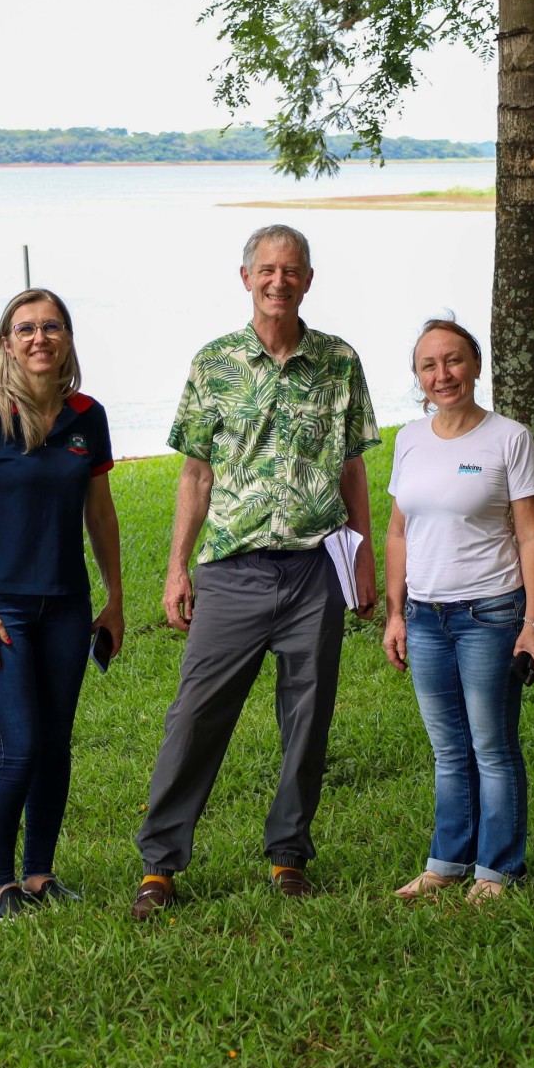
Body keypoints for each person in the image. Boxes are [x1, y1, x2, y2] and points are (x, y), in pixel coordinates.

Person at [132, 224, 379, 919]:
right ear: (245, 278)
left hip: (314, 568)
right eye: (267, 269)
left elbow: (353, 466)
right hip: (231, 571)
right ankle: (160, 865)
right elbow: (195, 474)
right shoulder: (214, 364)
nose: (279, 280)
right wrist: (177, 569)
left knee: (307, 717)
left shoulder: (338, 361)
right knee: (196, 716)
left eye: (291, 270)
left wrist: (363, 562)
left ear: (307, 279)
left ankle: (288, 855)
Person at [0, 289, 123, 922]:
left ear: (68, 338)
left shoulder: (88, 415)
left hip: (68, 609)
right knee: (18, 748)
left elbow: (99, 514)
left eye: (52, 327)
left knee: (55, 746)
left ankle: (41, 876)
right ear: (7, 343)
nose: (40, 338)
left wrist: (114, 600)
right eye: (26, 329)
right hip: (3, 613)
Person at [381, 319, 534, 902]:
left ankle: (498, 870)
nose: (442, 375)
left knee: (492, 746)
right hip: (426, 617)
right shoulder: (408, 439)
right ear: (417, 377)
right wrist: (396, 614)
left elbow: (532, 534)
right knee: (448, 749)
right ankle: (447, 863)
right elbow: (399, 532)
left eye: (453, 361)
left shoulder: (508, 438)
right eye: (429, 365)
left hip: (490, 613)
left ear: (476, 364)